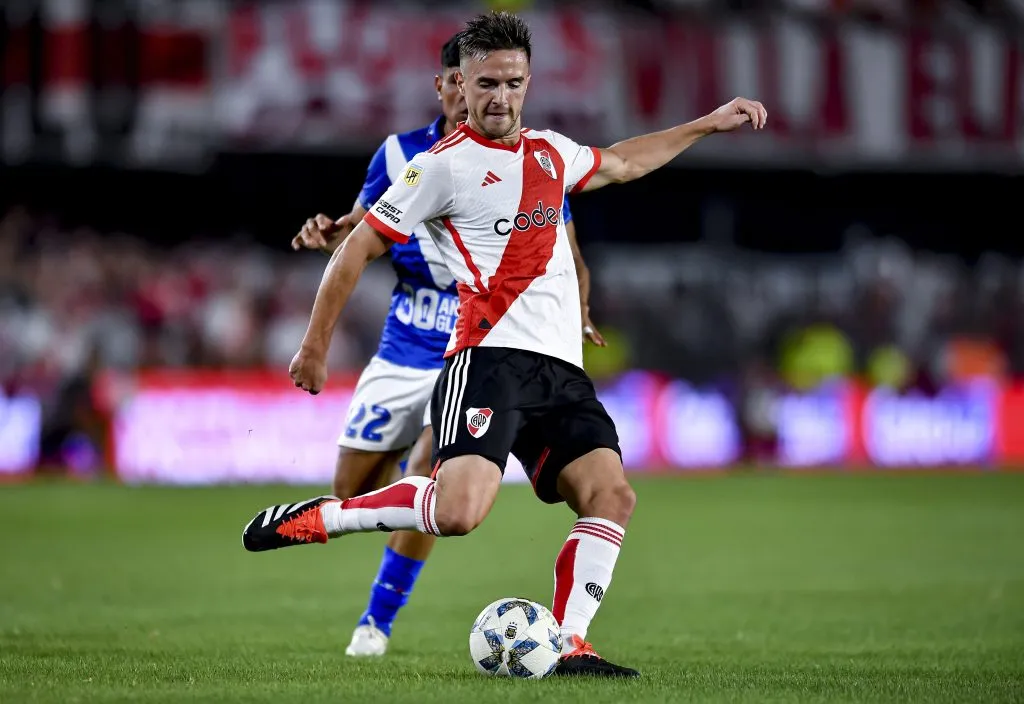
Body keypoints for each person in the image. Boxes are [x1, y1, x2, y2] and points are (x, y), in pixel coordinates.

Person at [243, 11, 766, 678]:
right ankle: (330, 517)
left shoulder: (551, 152)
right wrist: (313, 347)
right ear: (459, 85)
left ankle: (570, 643)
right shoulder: (439, 167)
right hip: (487, 361)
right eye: (486, 83)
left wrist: (707, 124)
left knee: (611, 495)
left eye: (513, 83)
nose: (500, 97)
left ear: (528, 83)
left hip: (562, 372)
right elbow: (357, 248)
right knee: (458, 513)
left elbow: (625, 161)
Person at [290, 32, 604, 659]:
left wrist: (578, 312)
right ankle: (352, 513)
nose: (480, 96)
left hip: (476, 350)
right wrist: (331, 234)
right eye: (470, 82)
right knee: (350, 489)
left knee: (433, 475)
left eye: (501, 83)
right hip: (404, 343)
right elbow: (362, 229)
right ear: (448, 85)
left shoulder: (527, 159)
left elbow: (566, 252)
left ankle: (376, 622)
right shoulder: (403, 155)